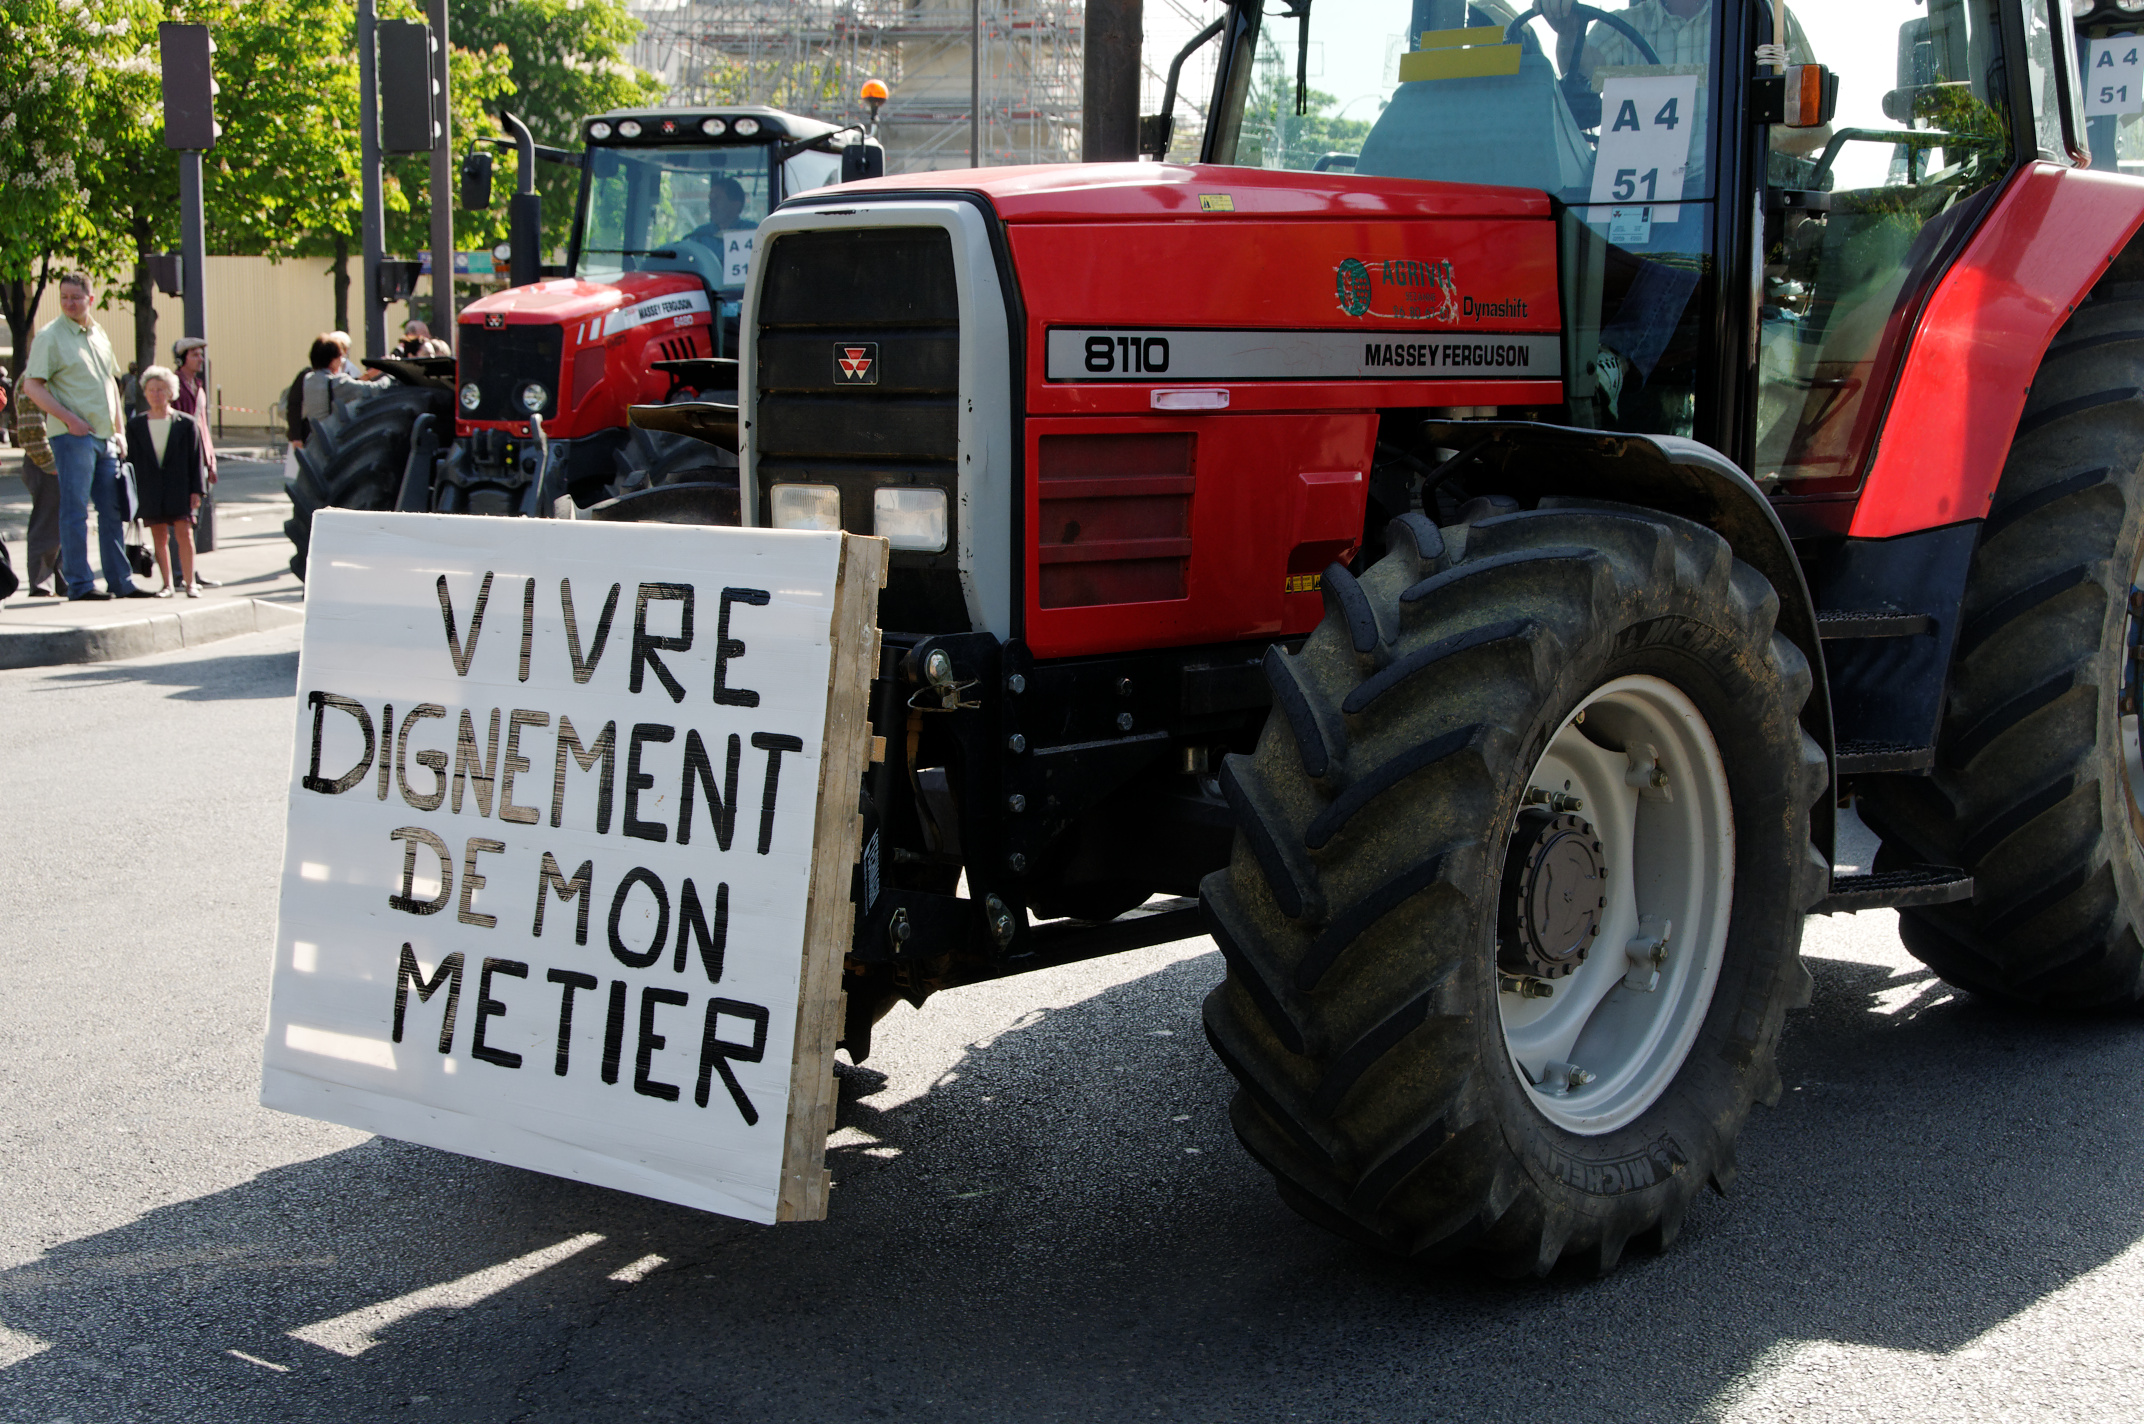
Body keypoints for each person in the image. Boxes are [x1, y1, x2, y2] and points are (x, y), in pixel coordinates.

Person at [19, 271, 152, 602]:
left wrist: (119, 432)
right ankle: (80, 584)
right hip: (71, 436)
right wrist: (69, 420)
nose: (68, 303)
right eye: (63, 297)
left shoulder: (98, 333)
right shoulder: (50, 337)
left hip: (105, 438)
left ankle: (121, 581)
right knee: (74, 511)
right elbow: (31, 386)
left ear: (90, 299)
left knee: (112, 510)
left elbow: (111, 384)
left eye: (75, 298)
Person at [125, 365, 208, 598]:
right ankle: (167, 584)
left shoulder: (187, 423)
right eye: (151, 390)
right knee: (159, 537)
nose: (156, 394)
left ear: (171, 392)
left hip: (180, 488)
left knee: (185, 534)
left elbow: (196, 459)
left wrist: (197, 491)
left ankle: (190, 583)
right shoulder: (136, 425)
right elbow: (131, 461)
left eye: (161, 389)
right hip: (151, 490)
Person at [170, 335, 221, 573]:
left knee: (194, 517)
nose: (200, 359)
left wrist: (210, 459)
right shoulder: (175, 386)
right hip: (181, 461)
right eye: (194, 355)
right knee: (181, 518)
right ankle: (179, 571)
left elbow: (202, 425)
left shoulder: (198, 386)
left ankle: (188, 570)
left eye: (201, 354)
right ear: (181, 359)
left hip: (198, 458)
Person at [301, 332, 391, 425]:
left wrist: (369, 375)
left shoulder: (309, 379)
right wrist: (390, 375)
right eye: (340, 356)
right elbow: (373, 389)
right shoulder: (337, 382)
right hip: (333, 434)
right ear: (332, 360)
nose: (342, 361)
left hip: (316, 435)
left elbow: (348, 386)